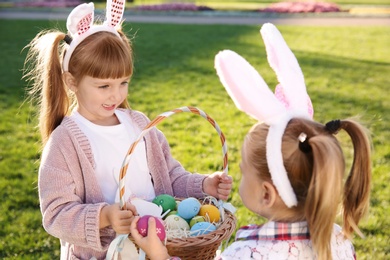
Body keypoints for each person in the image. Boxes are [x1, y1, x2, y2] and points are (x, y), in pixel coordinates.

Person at [129, 23, 371, 260]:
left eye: (245, 172)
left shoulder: (245, 254)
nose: (240, 177)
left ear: (267, 194)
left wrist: (160, 255)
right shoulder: (339, 240)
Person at [23, 1, 232, 259]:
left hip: (157, 248)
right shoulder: (65, 142)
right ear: (72, 82)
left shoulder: (139, 125)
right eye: (104, 86)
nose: (116, 94)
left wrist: (205, 185)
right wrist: (104, 216)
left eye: (123, 82)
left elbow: (171, 177)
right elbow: (56, 214)